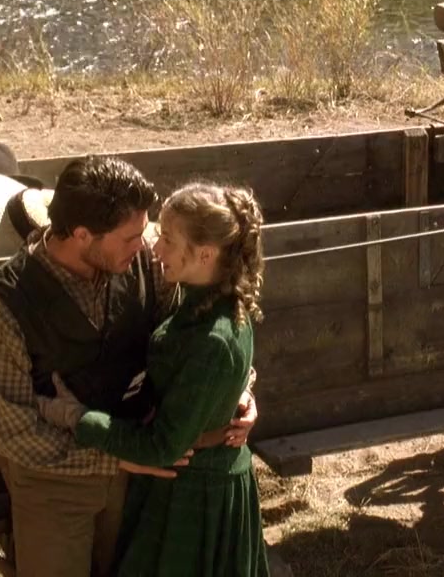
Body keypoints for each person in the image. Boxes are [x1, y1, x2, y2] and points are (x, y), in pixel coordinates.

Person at [0, 156, 258, 577]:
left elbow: (199, 344)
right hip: (56, 485)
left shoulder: (150, 267)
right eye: (131, 238)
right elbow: (12, 431)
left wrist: (238, 390)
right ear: (82, 235)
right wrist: (115, 459)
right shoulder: (2, 305)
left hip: (141, 479)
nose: (146, 245)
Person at [38, 180, 270, 577]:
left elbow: (163, 446)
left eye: (168, 240)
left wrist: (78, 418)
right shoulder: (206, 301)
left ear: (205, 254)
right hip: (187, 482)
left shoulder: (212, 337)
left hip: (195, 497)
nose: (155, 249)